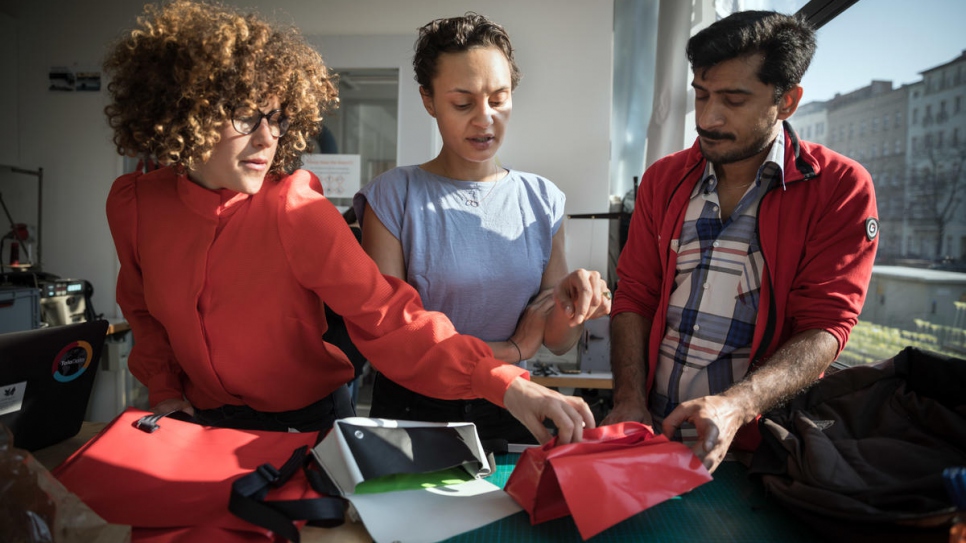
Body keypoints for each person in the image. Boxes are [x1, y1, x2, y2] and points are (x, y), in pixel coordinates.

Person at [102, 0, 594, 444]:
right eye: (246, 117)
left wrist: (505, 382)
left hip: (302, 425)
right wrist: (165, 391)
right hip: (194, 420)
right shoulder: (135, 204)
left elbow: (391, 320)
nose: (266, 138)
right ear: (186, 110)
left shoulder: (294, 206)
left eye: (277, 118)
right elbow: (144, 313)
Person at [604, 11, 879, 472]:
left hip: (757, 450)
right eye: (701, 95)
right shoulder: (664, 179)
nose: (708, 118)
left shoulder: (839, 187)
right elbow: (635, 295)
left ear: (787, 101)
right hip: (649, 434)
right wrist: (629, 400)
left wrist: (736, 406)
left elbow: (826, 327)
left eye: (733, 100)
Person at [353, 13, 611, 446]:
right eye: (462, 102)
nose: (485, 118)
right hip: (416, 409)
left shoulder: (541, 200)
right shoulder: (392, 197)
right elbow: (396, 342)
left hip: (514, 407)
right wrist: (514, 349)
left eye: (499, 98)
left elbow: (558, 341)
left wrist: (577, 303)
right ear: (429, 100)